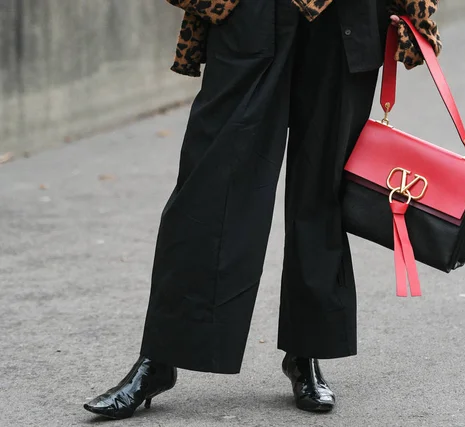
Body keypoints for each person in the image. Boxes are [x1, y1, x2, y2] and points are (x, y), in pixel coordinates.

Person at [83, 0, 442, 420]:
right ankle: (160, 357)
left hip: (345, 19)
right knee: (209, 189)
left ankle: (306, 352)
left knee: (323, 195)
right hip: (252, 14)